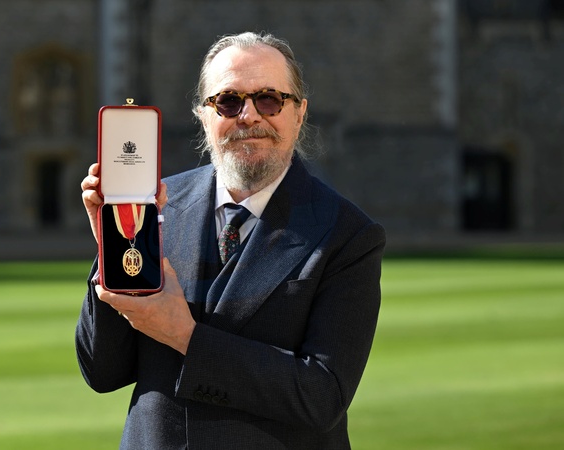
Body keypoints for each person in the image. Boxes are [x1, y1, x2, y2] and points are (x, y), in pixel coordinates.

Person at [77, 31, 385, 450]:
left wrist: (184, 335)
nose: (249, 116)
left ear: (299, 113)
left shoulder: (348, 234)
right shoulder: (155, 205)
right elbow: (102, 373)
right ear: (204, 116)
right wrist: (112, 249)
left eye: (270, 100)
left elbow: (322, 395)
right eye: (228, 101)